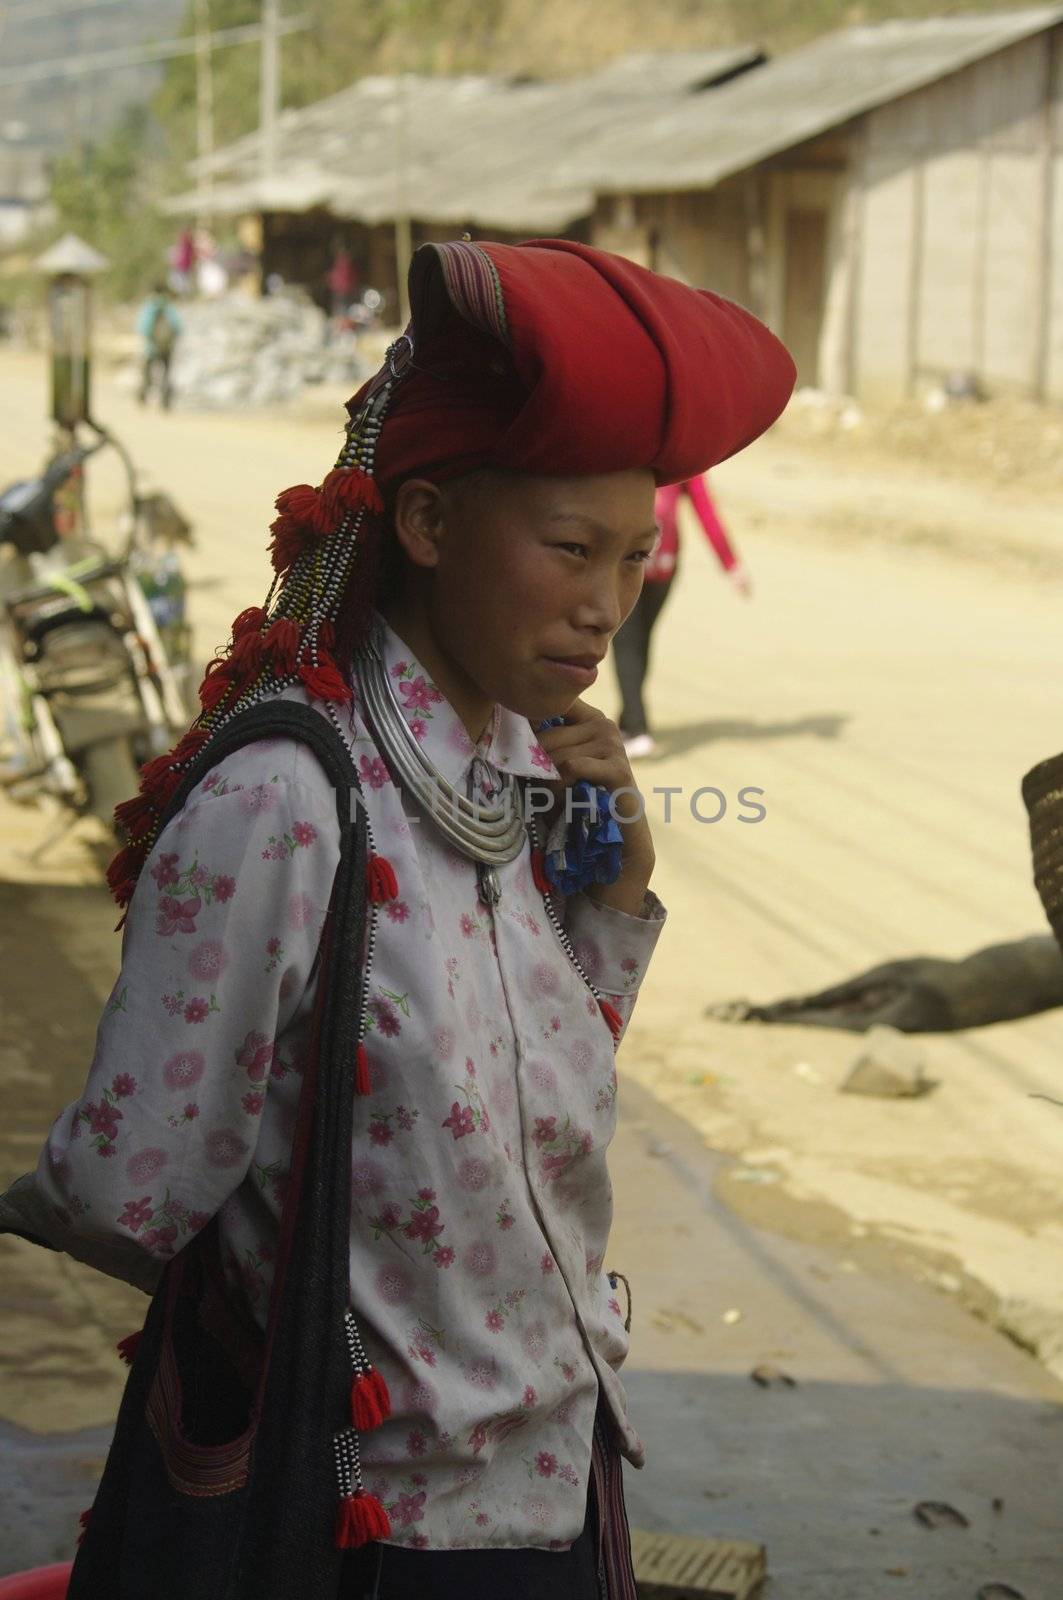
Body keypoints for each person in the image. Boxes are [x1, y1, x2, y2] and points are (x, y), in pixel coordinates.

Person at [0, 239, 794, 1597]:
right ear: (424, 525)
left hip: (554, 1476)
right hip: (371, 1529)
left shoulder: (519, 766)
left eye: (633, 560)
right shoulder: (281, 802)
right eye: (567, 551)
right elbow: (134, 1189)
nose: (604, 607)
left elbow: (536, 1095)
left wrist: (612, 889)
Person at [613, 474, 750, 759]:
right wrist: (731, 565)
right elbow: (705, 510)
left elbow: (704, 508)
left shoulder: (629, 450)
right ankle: (629, 721)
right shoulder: (683, 452)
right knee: (636, 641)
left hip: (636, 566)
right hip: (659, 564)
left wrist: (731, 563)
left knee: (629, 642)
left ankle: (637, 729)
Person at [136, 283, 182, 410]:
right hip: (166, 347)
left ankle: (143, 397)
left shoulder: (149, 306)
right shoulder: (169, 307)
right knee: (166, 375)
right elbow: (178, 327)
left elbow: (143, 327)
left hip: (150, 347)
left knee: (146, 374)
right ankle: (165, 401)